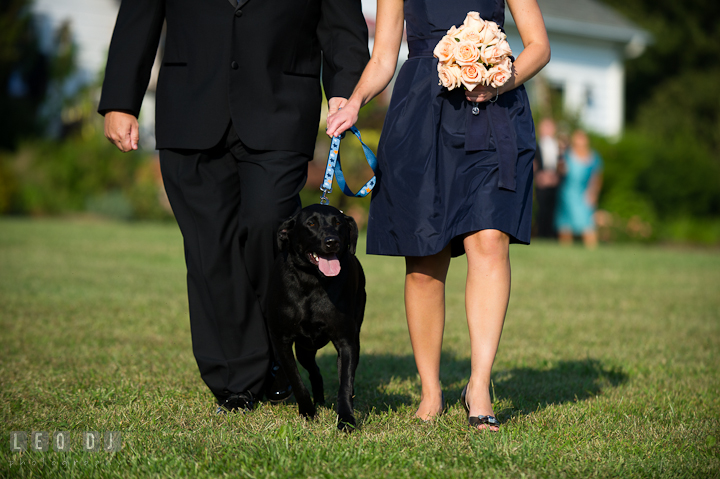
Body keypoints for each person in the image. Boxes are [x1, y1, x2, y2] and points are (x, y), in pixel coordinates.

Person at [99, 0, 369, 413]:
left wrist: (345, 91)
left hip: (281, 107)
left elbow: (342, 23)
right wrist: (121, 98)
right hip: (190, 108)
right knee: (211, 250)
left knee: (270, 225)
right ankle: (236, 377)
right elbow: (140, 13)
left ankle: (277, 354)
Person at [327, 0, 550, 430]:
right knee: (426, 257)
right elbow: (384, 55)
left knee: (489, 239)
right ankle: (431, 391)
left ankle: (479, 385)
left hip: (493, 113)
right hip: (421, 114)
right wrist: (354, 101)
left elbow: (538, 45)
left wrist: (499, 81)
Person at [555, 129, 604, 249]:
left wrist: (593, 193)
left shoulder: (594, 157)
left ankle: (593, 253)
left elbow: (597, 178)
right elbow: (560, 171)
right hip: (567, 194)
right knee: (565, 226)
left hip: (584, 194)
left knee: (588, 225)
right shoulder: (566, 155)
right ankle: (565, 255)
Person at [534, 118, 563, 238]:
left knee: (554, 209)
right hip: (541, 181)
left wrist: (557, 176)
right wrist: (538, 177)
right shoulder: (535, 144)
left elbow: (562, 164)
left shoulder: (559, 146)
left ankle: (552, 234)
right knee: (542, 209)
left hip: (555, 181)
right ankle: (541, 234)